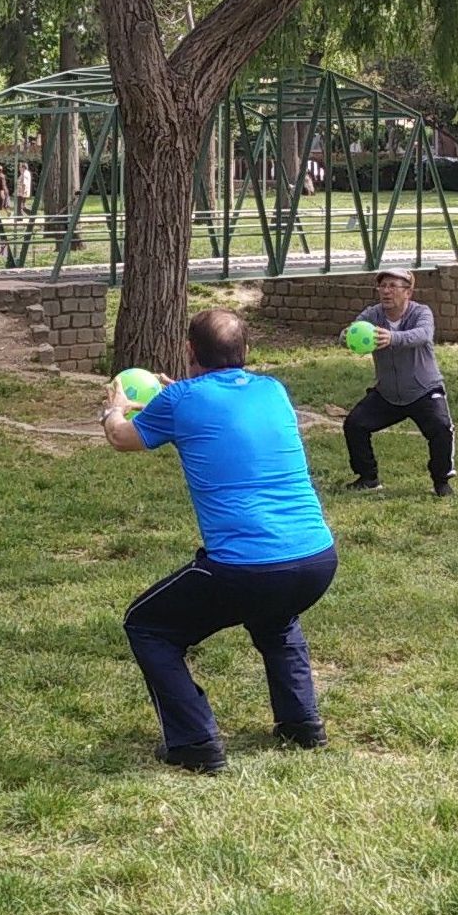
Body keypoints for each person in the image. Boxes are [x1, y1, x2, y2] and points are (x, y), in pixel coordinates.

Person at [101, 309, 337, 774]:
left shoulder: (183, 400)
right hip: (315, 559)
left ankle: (194, 744)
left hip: (244, 568)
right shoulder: (273, 389)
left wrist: (113, 409)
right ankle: (301, 723)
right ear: (244, 352)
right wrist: (179, 398)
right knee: (275, 615)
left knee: (147, 625)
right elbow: (223, 413)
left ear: (189, 352)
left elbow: (123, 439)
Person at [342, 269, 456, 496]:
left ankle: (441, 482)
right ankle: (368, 478)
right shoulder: (372, 314)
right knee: (354, 425)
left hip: (423, 390)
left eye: (393, 286)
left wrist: (393, 338)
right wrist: (346, 335)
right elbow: (350, 331)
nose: (386, 291)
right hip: (387, 393)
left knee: (441, 429)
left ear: (408, 293)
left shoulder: (421, 312)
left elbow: (423, 334)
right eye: (382, 286)